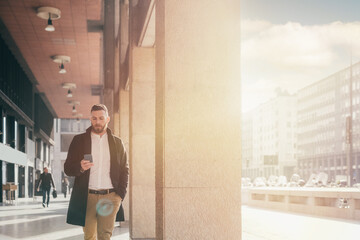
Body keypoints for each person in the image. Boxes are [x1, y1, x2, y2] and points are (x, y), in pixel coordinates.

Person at [64, 104, 129, 240]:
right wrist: (80, 167)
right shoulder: (79, 141)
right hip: (87, 196)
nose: (97, 122)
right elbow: (68, 168)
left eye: (101, 118)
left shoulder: (117, 143)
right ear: (90, 119)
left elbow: (125, 169)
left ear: (107, 119)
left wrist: (120, 195)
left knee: (105, 236)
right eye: (94, 118)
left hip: (110, 197)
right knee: (89, 236)